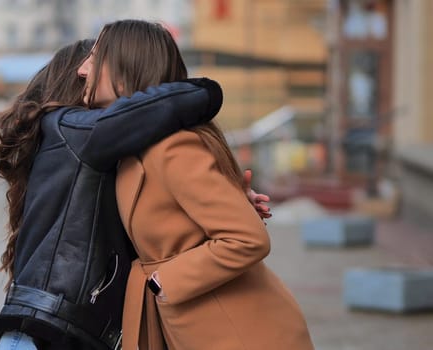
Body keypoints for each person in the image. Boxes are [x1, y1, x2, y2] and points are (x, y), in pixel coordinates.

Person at [0, 21, 269, 350]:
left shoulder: (105, 157)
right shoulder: (72, 131)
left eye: (95, 59)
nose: (84, 70)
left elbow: (148, 230)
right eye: (83, 61)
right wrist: (207, 91)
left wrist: (216, 199)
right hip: (46, 332)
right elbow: (156, 110)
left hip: (65, 331)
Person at [106, 33, 314, 350]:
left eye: (96, 59)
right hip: (195, 323)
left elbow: (246, 238)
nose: (84, 70)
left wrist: (163, 283)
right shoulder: (132, 148)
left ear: (124, 74)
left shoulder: (171, 147)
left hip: (233, 329)